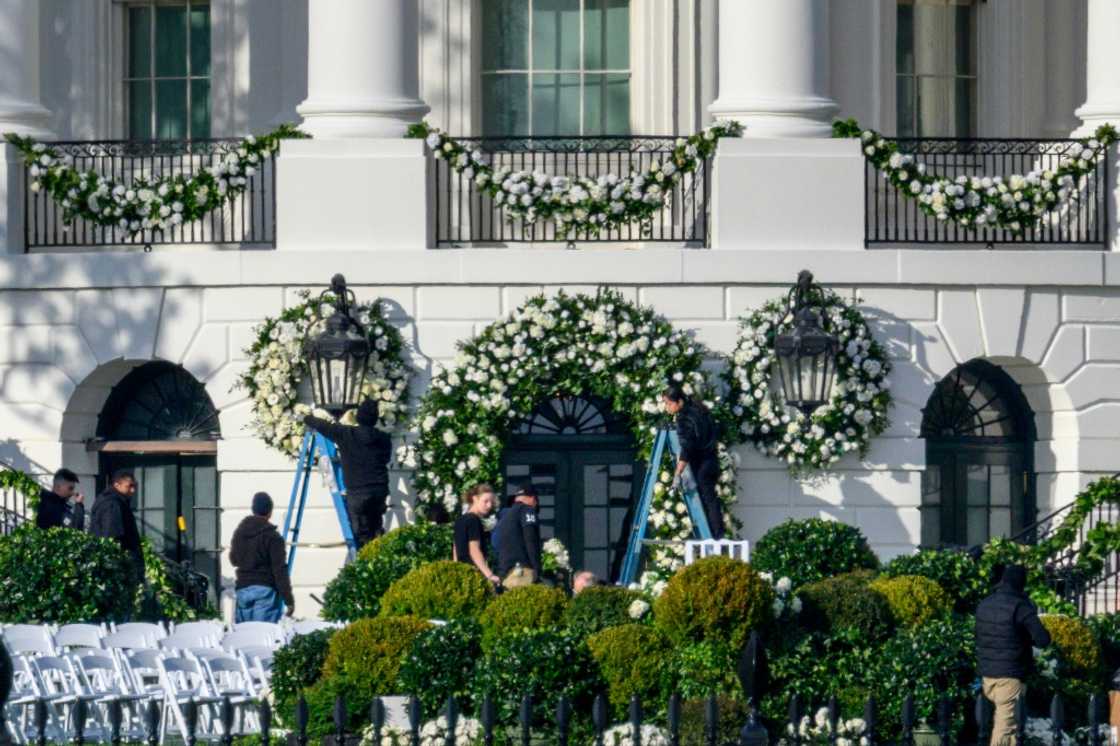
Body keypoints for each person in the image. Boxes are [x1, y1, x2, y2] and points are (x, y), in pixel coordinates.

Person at [976, 564, 1052, 746]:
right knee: (1005, 728)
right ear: (1021, 583)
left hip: (987, 675)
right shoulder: (1020, 606)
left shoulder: (984, 604)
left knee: (1010, 728)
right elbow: (1043, 639)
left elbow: (979, 635)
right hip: (1009, 675)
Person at [303, 398, 392, 548]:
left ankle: (365, 565)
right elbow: (385, 458)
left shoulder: (347, 434)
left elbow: (323, 426)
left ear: (359, 417)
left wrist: (307, 417)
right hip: (379, 490)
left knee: (360, 537)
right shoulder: (383, 438)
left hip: (358, 492)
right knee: (376, 530)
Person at [662, 383, 725, 539]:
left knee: (707, 501)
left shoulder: (684, 419)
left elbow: (687, 448)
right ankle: (717, 535)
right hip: (712, 461)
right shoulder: (700, 410)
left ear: (679, 402)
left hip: (702, 464)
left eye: (668, 403)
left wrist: (677, 472)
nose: (666, 407)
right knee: (711, 500)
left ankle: (715, 537)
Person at [229, 492, 295, 623]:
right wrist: (289, 600)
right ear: (270, 512)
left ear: (253, 510)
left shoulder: (240, 533)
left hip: (243, 590)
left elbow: (234, 559)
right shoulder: (273, 537)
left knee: (244, 638)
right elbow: (279, 570)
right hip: (265, 590)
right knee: (263, 637)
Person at [89, 470, 144, 577]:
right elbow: (112, 537)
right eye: (129, 486)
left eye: (135, 486)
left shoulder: (112, 501)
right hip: (119, 567)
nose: (133, 490)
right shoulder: (112, 504)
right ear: (116, 485)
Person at [494, 484, 542, 589]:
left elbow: (495, 543)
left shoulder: (504, 515)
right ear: (533, 499)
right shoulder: (528, 510)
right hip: (522, 573)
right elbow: (531, 540)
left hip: (505, 573)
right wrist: (537, 569)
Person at [453, 483, 500, 587]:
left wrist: (455, 570)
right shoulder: (473, 520)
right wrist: (489, 575)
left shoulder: (460, 520)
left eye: (491, 502)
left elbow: (455, 549)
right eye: (486, 501)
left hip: (462, 574)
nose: (489, 505)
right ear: (475, 499)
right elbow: (474, 550)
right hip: (474, 574)